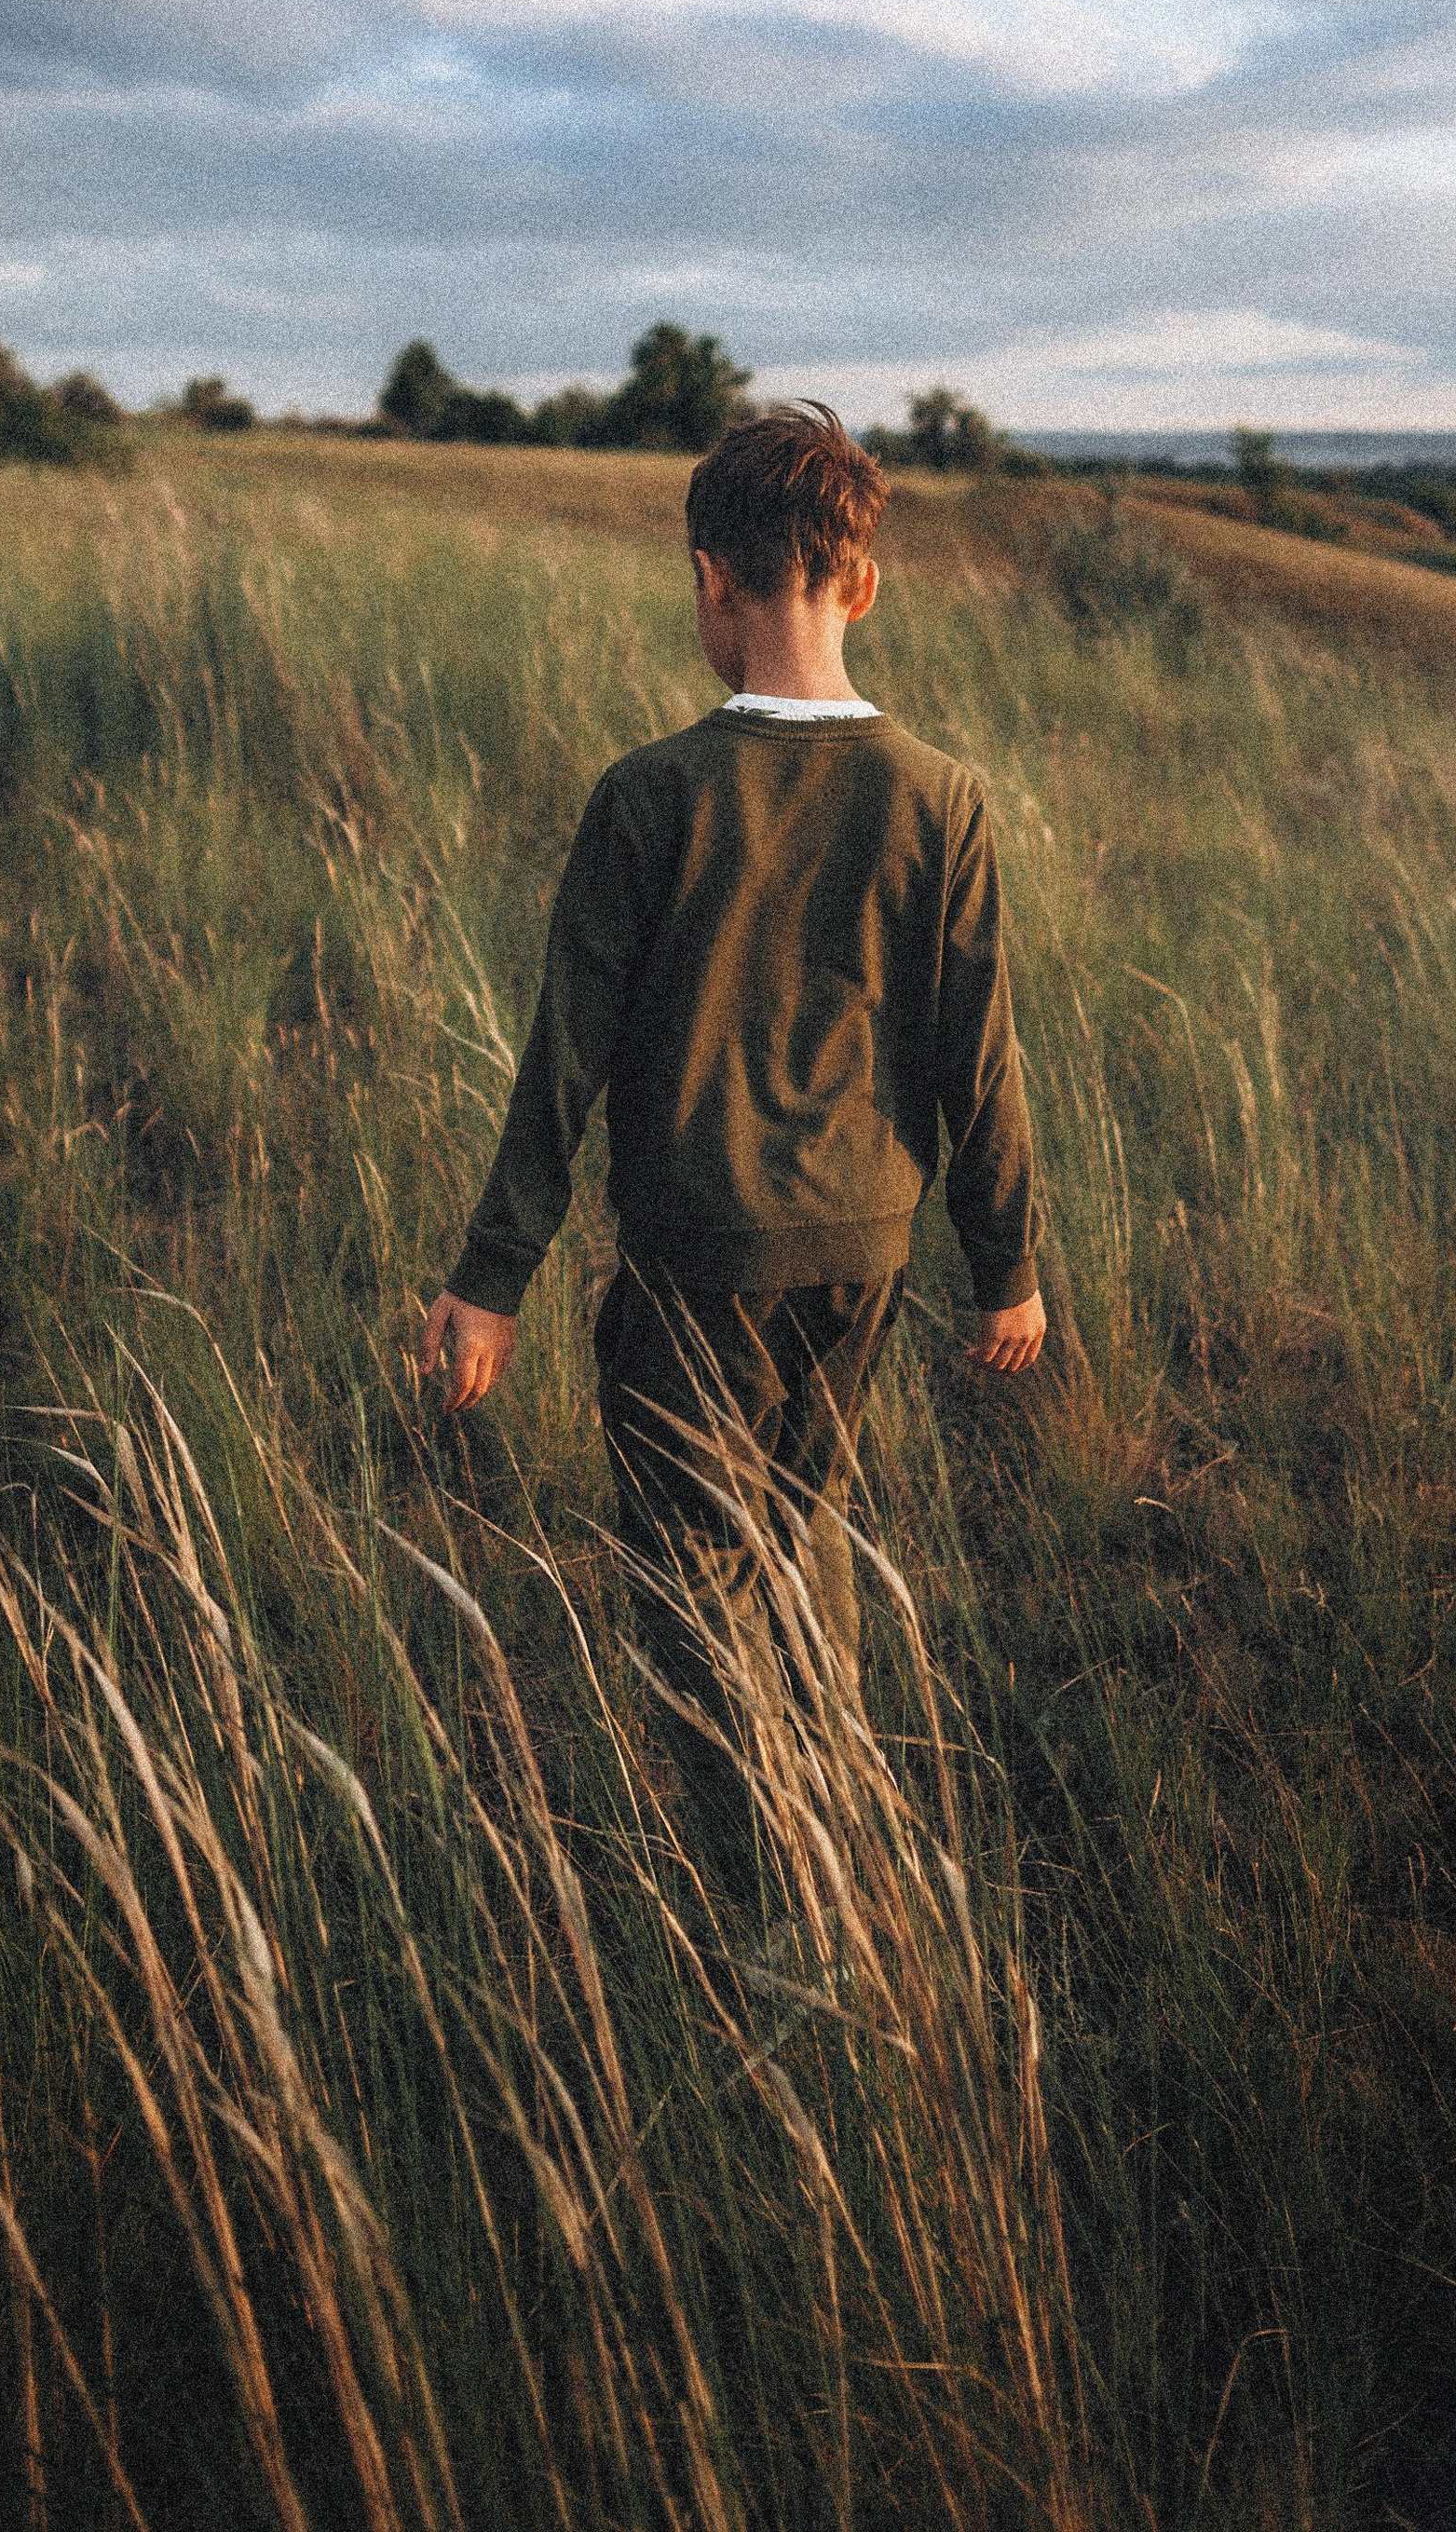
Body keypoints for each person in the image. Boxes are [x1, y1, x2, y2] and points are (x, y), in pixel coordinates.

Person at [417, 402, 1046, 1905]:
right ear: (866, 583)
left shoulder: (650, 796)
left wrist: (490, 1279)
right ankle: (832, 1830)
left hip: (695, 1263)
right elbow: (981, 1055)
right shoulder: (940, 796)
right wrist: (1007, 1266)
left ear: (712, 581)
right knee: (794, 1526)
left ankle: (770, 1892)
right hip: (867, 1256)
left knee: (694, 1581)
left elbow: (564, 1057)